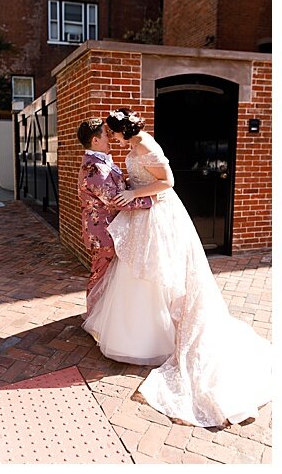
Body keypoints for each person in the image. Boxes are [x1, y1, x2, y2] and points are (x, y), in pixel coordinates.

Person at [102, 108, 273, 427]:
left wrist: (133, 192)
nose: (112, 138)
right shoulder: (134, 146)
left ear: (125, 131)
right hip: (141, 214)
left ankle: (160, 336)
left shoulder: (149, 148)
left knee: (160, 273)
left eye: (114, 133)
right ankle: (138, 334)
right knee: (137, 273)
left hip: (159, 216)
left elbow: (168, 181)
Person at [76, 117, 166, 364]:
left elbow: (120, 186)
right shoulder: (95, 168)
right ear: (95, 140)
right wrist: (151, 201)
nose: (109, 139)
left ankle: (103, 319)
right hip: (102, 232)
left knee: (108, 277)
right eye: (105, 135)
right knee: (100, 276)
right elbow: (115, 199)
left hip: (110, 228)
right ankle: (95, 321)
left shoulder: (101, 161)